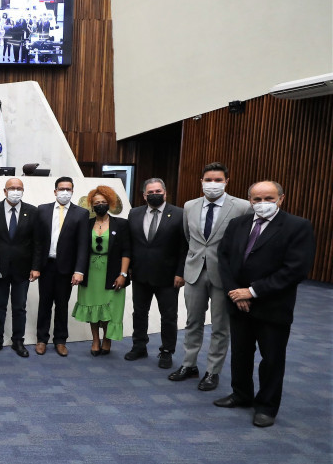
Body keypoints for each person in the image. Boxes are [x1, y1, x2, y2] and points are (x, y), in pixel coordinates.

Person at [214, 181, 315, 428]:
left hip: (272, 306)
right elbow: (224, 259)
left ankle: (266, 407)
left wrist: (252, 292)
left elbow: (295, 270)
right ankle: (241, 394)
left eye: (268, 198)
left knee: (271, 359)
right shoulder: (238, 224)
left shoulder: (297, 226)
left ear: (281, 198)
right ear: (249, 200)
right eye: (256, 199)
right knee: (241, 354)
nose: (262, 204)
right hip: (238, 304)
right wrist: (234, 293)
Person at [169, 162, 252, 390]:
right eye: (208, 180)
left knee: (219, 326)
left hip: (224, 276)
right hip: (195, 272)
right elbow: (189, 237)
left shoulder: (242, 206)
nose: (212, 184)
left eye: (218, 180)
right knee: (192, 322)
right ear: (201, 181)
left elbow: (245, 241)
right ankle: (189, 364)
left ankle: (212, 371)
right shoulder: (189, 206)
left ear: (227, 181)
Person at [125, 178, 188, 368]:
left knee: (168, 315)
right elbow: (130, 243)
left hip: (168, 277)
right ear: (144, 195)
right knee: (139, 313)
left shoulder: (179, 214)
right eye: (150, 192)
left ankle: (167, 351)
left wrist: (181, 272)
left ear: (165, 193)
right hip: (140, 274)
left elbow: (184, 247)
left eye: (158, 191)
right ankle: (139, 346)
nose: (154, 194)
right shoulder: (134, 213)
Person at [0, 178, 40, 357]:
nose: (15, 191)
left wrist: (36, 267)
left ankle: (18, 341)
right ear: (4, 191)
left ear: (23, 190)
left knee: (19, 306)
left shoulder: (32, 211)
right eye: (12, 188)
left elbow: (38, 242)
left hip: (23, 269)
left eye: (19, 188)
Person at [71, 186, 131, 356]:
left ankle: (107, 339)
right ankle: (95, 339)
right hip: (90, 272)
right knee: (92, 307)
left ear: (110, 203)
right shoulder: (86, 224)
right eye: (96, 203)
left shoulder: (121, 224)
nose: (100, 205)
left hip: (112, 271)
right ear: (91, 204)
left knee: (109, 309)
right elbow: (80, 248)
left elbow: (127, 251)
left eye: (103, 202)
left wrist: (123, 274)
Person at [35, 176, 90, 357]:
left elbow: (83, 244)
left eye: (68, 189)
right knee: (44, 304)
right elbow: (38, 242)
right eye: (61, 189)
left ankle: (60, 340)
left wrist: (79, 270)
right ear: (55, 191)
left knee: (61, 305)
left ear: (73, 191)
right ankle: (42, 339)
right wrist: (35, 266)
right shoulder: (42, 210)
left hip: (66, 268)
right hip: (46, 265)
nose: (64, 192)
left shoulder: (81, 213)